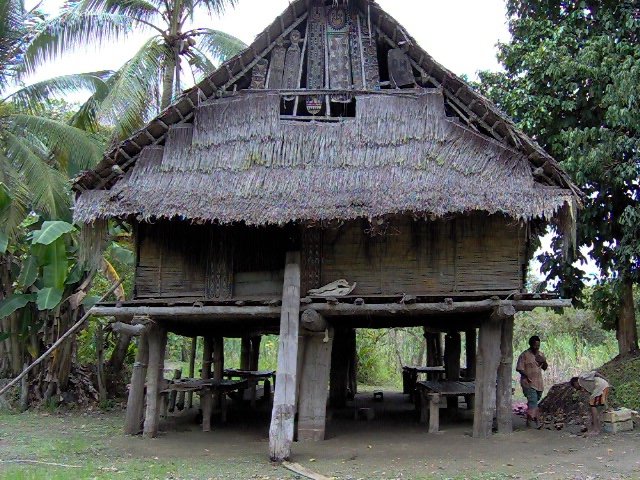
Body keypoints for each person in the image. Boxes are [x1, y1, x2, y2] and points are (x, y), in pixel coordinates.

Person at [516, 335, 548, 427]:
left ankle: (529, 421)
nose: (537, 347)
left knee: (534, 401)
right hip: (528, 382)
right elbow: (519, 368)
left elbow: (545, 368)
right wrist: (527, 375)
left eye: (538, 345)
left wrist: (544, 361)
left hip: (538, 383)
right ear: (530, 344)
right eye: (535, 345)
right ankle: (537, 422)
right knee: (533, 401)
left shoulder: (541, 354)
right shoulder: (524, 355)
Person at [570, 371, 610, 436]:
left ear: (575, 383)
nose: (577, 389)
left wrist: (606, 379)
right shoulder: (584, 384)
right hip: (603, 386)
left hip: (600, 386)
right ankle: (596, 428)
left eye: (575, 387)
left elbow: (595, 373)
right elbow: (591, 393)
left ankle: (596, 430)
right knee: (595, 406)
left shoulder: (582, 377)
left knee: (593, 406)